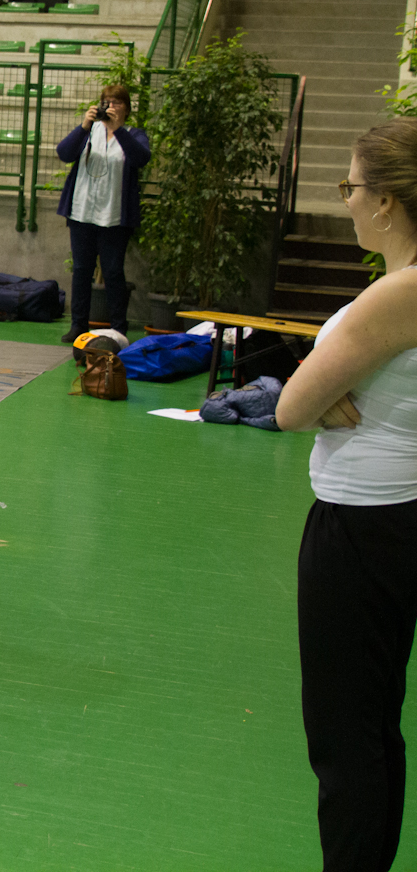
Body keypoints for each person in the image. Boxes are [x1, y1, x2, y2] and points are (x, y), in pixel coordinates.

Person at [276, 118, 417, 872]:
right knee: (376, 724)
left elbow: (289, 407)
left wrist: (318, 389)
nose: (348, 200)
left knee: (347, 737)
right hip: (394, 520)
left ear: (388, 201)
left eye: (352, 187)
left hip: (364, 530)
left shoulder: (399, 294)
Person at [54, 83, 149, 342]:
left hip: (114, 216)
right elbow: (64, 153)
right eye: (107, 102)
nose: (111, 106)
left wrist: (117, 130)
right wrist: (84, 125)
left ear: (127, 109)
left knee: (113, 272)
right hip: (82, 212)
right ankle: (78, 325)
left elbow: (141, 158)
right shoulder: (90, 131)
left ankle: (118, 327)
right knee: (81, 270)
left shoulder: (134, 134)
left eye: (117, 103)